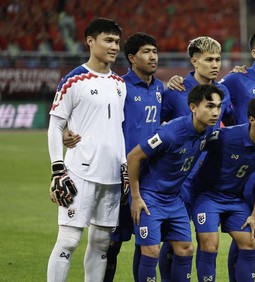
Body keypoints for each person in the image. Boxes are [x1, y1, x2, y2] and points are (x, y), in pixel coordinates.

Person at [47, 18, 126, 282]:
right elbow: (55, 126)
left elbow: (116, 128)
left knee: (102, 242)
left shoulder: (119, 84)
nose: (114, 46)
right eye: (108, 40)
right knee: (68, 241)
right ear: (90, 41)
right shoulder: (73, 80)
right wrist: (58, 169)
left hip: (113, 176)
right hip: (79, 172)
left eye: (116, 41)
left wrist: (124, 166)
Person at [127, 84, 224, 282]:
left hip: (174, 198)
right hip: (150, 197)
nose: (215, 112)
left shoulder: (207, 131)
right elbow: (133, 157)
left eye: (218, 107)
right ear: (193, 107)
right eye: (210, 106)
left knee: (186, 249)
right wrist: (136, 197)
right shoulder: (170, 132)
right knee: (151, 251)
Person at [159, 35, 232, 282]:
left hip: (210, 178)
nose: (215, 64)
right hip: (180, 179)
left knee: (208, 240)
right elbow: (157, 131)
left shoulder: (223, 92)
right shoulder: (176, 91)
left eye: (218, 59)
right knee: (174, 240)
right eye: (209, 59)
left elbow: (230, 127)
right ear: (194, 61)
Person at [192, 94, 255, 282]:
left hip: (235, 200)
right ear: (252, 120)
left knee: (250, 244)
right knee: (210, 245)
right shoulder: (225, 137)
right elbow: (193, 146)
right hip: (208, 197)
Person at [104, 32, 165, 282]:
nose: (153, 56)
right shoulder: (119, 87)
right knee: (112, 243)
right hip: (121, 176)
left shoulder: (161, 87)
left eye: (155, 51)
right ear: (131, 58)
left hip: (151, 178)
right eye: (147, 52)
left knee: (147, 241)